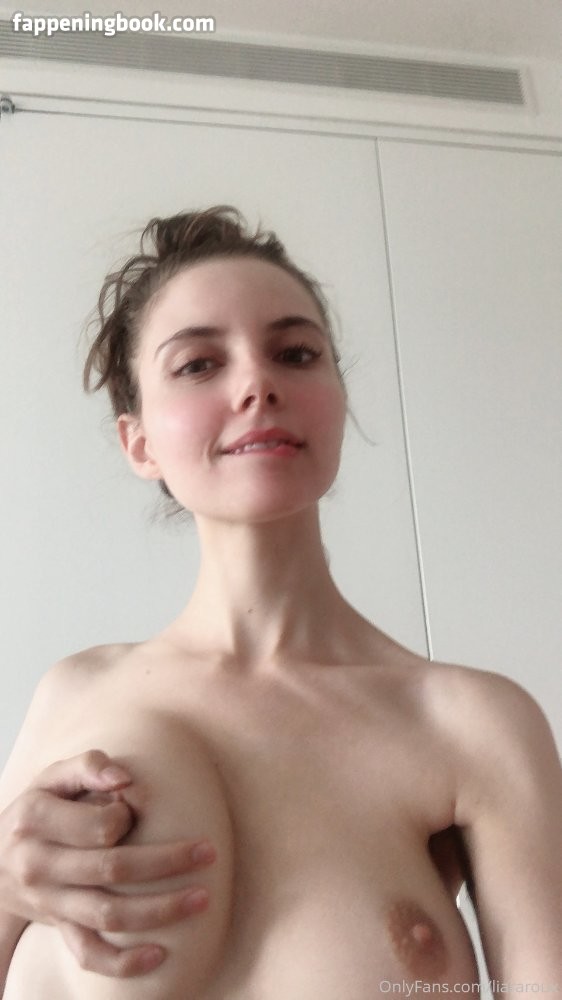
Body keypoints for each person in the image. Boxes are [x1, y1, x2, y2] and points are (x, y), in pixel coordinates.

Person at [0, 206, 560, 998]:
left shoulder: (472, 724)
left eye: (296, 354)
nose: (257, 385)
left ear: (339, 399)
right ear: (139, 442)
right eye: (198, 364)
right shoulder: (75, 697)